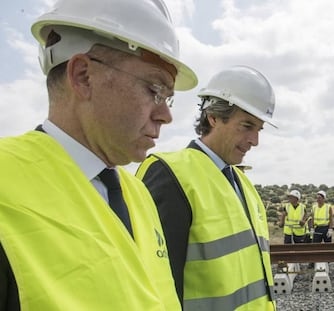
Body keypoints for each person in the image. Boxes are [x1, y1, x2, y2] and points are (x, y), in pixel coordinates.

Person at [0, 0, 197, 310]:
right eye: (154, 89)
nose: (165, 115)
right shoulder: (5, 184)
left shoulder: (138, 194)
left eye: (168, 99)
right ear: (83, 76)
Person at [136, 66, 277, 310]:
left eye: (259, 129)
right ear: (213, 117)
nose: (255, 140)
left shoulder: (242, 184)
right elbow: (157, 287)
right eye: (247, 126)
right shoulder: (170, 175)